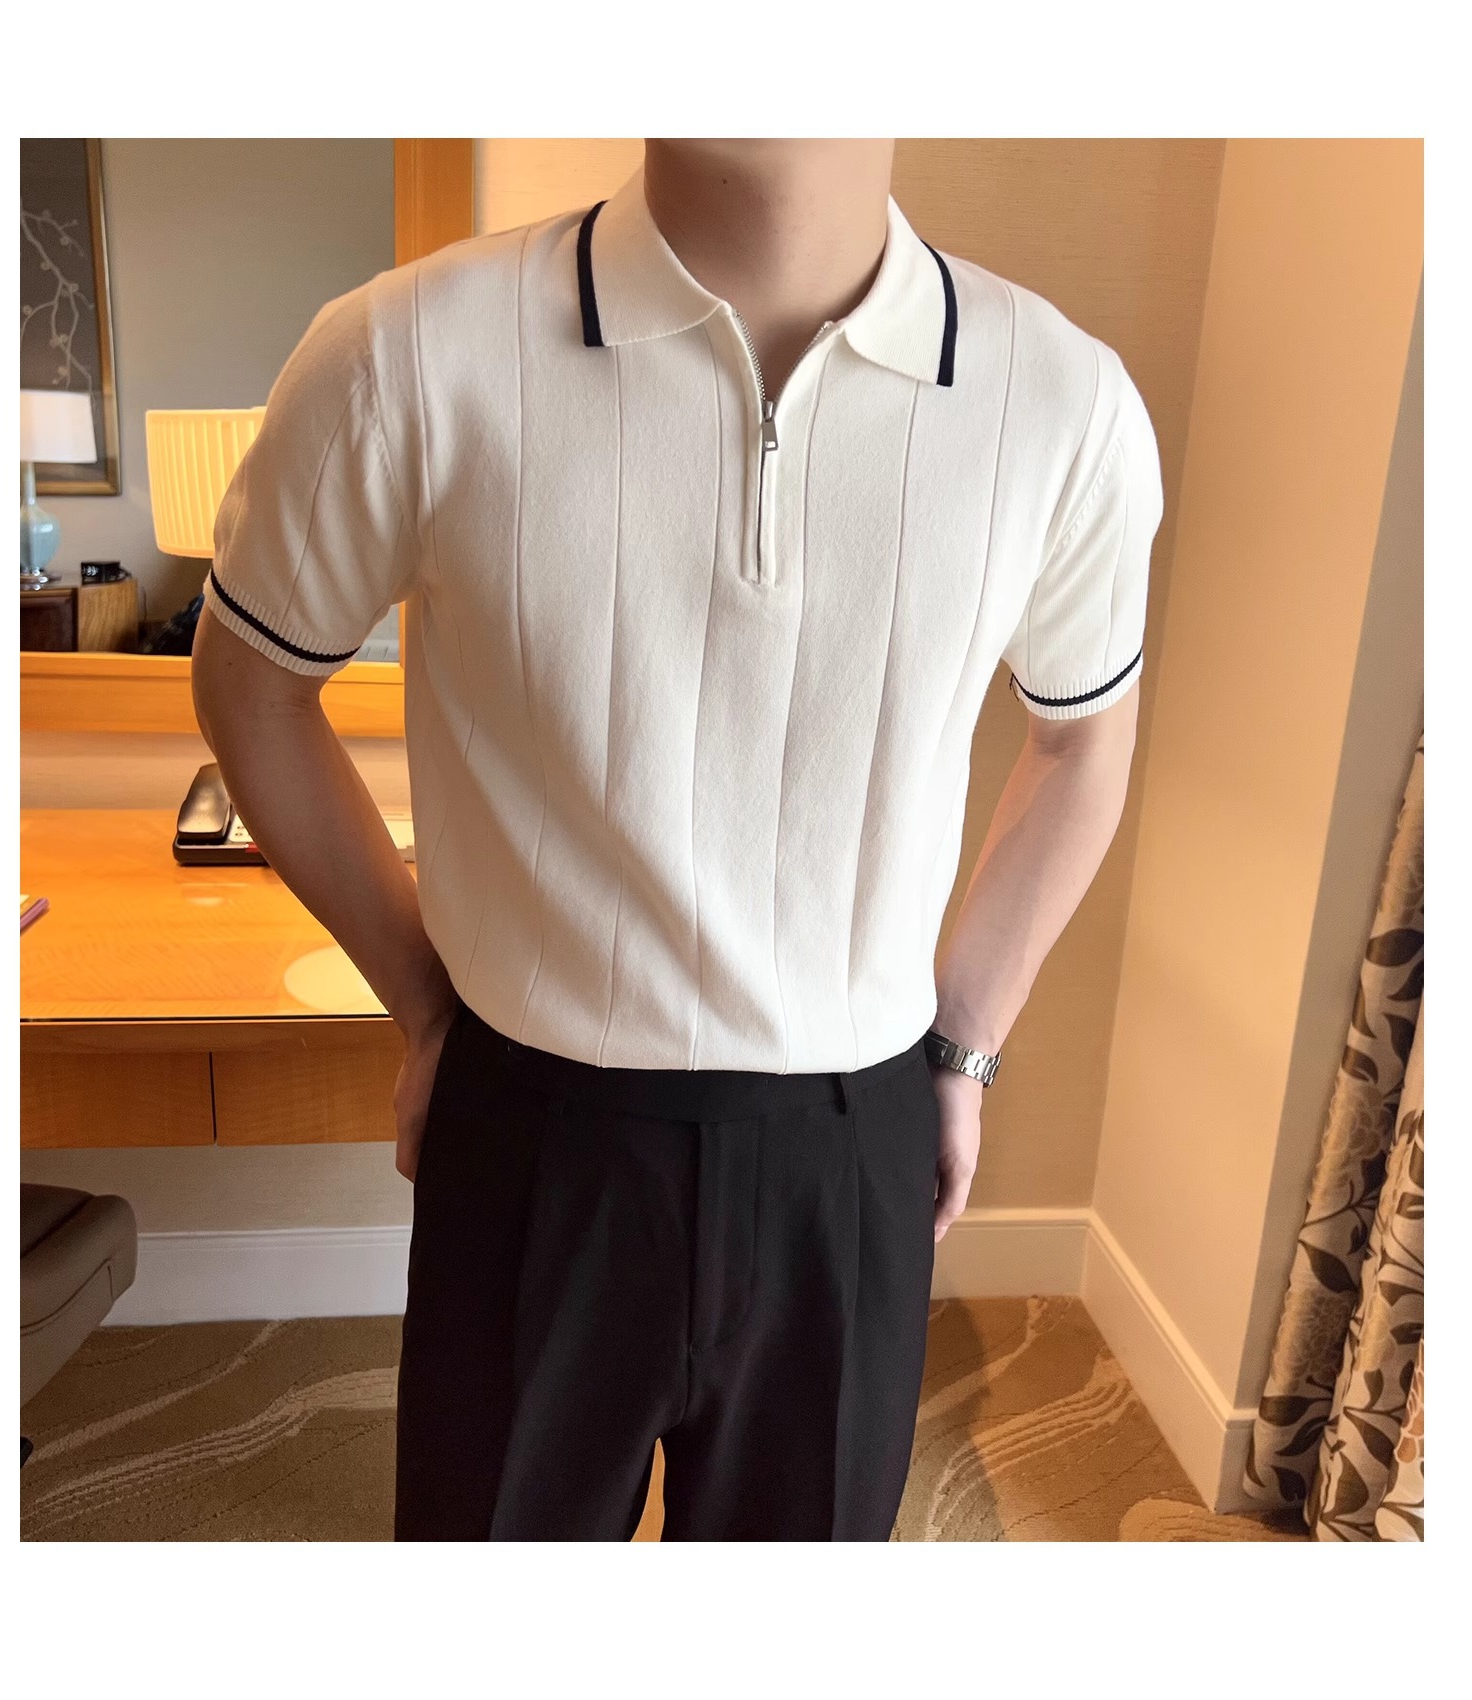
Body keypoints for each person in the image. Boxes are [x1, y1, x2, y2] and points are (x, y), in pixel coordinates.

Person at [191, 137, 1163, 1540]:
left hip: (855, 1137)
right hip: (532, 1125)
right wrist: (422, 1000)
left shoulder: (1061, 400)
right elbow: (252, 684)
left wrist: (965, 1048)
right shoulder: (404, 353)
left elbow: (1083, 744)